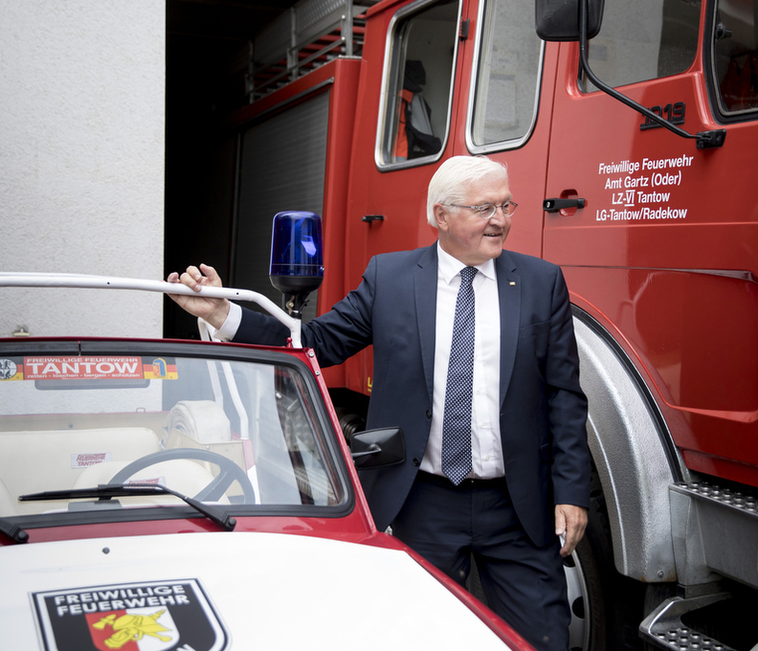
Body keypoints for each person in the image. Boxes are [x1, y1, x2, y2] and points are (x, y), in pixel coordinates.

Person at [167, 155, 590, 650]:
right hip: (423, 500)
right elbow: (315, 343)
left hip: (518, 504)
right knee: (420, 635)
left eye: (505, 205)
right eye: (483, 208)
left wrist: (571, 492)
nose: (500, 220)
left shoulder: (541, 283)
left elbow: (564, 395)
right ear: (441, 215)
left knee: (542, 639)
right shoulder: (390, 278)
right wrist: (224, 313)